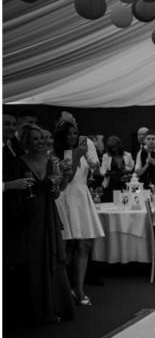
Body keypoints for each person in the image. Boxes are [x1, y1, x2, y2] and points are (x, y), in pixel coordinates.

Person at [4, 123, 75, 325]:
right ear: (26, 142)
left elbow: (56, 193)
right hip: (28, 216)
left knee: (52, 258)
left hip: (48, 214)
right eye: (35, 139)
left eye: (42, 138)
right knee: (33, 261)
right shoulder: (18, 162)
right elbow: (19, 192)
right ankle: (36, 310)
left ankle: (56, 306)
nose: (40, 142)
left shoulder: (52, 162)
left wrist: (63, 179)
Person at [53, 120, 105, 306]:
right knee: (68, 247)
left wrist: (93, 172)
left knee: (85, 246)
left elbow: (85, 177)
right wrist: (77, 155)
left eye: (75, 133)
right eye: (69, 134)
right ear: (62, 136)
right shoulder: (60, 154)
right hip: (67, 197)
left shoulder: (81, 152)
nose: (73, 136)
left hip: (83, 197)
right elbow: (69, 177)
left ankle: (80, 289)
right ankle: (65, 289)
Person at [99, 135, 135, 201]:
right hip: (111, 183)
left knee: (125, 201)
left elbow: (132, 168)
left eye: (116, 147)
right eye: (112, 148)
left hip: (124, 182)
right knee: (111, 202)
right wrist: (105, 173)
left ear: (119, 146)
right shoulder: (106, 156)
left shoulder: (128, 155)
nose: (114, 149)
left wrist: (124, 168)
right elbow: (102, 169)